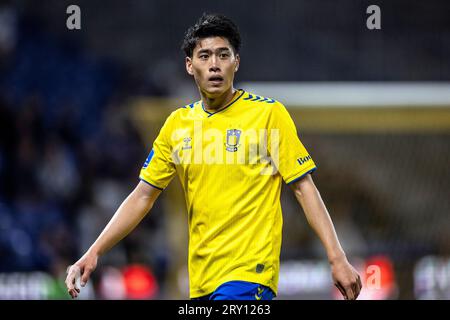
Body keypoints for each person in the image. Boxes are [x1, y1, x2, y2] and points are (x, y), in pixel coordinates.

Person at [65, 13, 362, 300]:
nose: (215, 65)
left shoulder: (268, 115)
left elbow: (303, 187)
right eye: (205, 56)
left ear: (236, 63)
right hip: (201, 282)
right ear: (189, 65)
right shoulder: (177, 126)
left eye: (223, 55)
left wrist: (337, 257)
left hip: (250, 275)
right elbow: (143, 195)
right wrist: (94, 251)